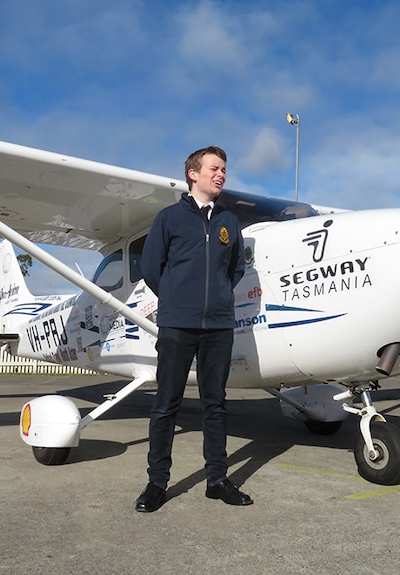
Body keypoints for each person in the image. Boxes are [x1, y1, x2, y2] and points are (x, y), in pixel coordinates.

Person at [136, 145, 251, 513]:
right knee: (166, 404)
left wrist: (217, 298)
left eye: (224, 170)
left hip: (218, 326)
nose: (221, 174)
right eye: (214, 169)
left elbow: (234, 269)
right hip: (177, 325)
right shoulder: (169, 218)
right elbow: (152, 268)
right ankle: (157, 483)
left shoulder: (229, 222)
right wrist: (176, 299)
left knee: (215, 404)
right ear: (193, 174)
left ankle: (217, 479)